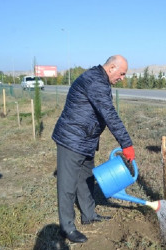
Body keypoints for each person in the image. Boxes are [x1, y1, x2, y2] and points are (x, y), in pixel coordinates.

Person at [52, 55, 135, 243]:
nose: (122, 78)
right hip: (71, 140)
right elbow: (110, 115)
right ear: (112, 67)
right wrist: (127, 144)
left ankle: (89, 214)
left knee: (86, 178)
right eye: (121, 73)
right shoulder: (95, 81)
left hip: (86, 141)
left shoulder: (100, 79)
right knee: (67, 185)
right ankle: (66, 228)